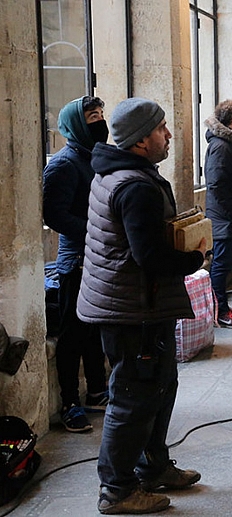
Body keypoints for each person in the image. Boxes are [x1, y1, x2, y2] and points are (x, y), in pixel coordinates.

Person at [77, 97, 207, 514]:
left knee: (159, 386)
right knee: (133, 396)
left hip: (135, 303)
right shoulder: (134, 185)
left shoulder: (122, 173)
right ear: (140, 140)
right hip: (133, 308)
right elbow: (149, 256)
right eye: (162, 129)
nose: (168, 135)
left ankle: (152, 467)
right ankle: (116, 490)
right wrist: (193, 257)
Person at [42, 96, 109, 433]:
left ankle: (97, 391)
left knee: (94, 331)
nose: (99, 122)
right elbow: (53, 213)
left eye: (100, 115)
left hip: (97, 256)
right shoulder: (64, 163)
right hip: (76, 261)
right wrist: (96, 228)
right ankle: (70, 402)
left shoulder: (93, 157)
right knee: (71, 337)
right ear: (75, 124)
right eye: (91, 117)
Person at [204, 100, 232, 328]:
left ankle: (221, 307)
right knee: (221, 265)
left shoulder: (225, 144)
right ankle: (219, 311)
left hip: (226, 217)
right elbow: (216, 184)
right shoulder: (221, 146)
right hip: (223, 219)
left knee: (225, 263)